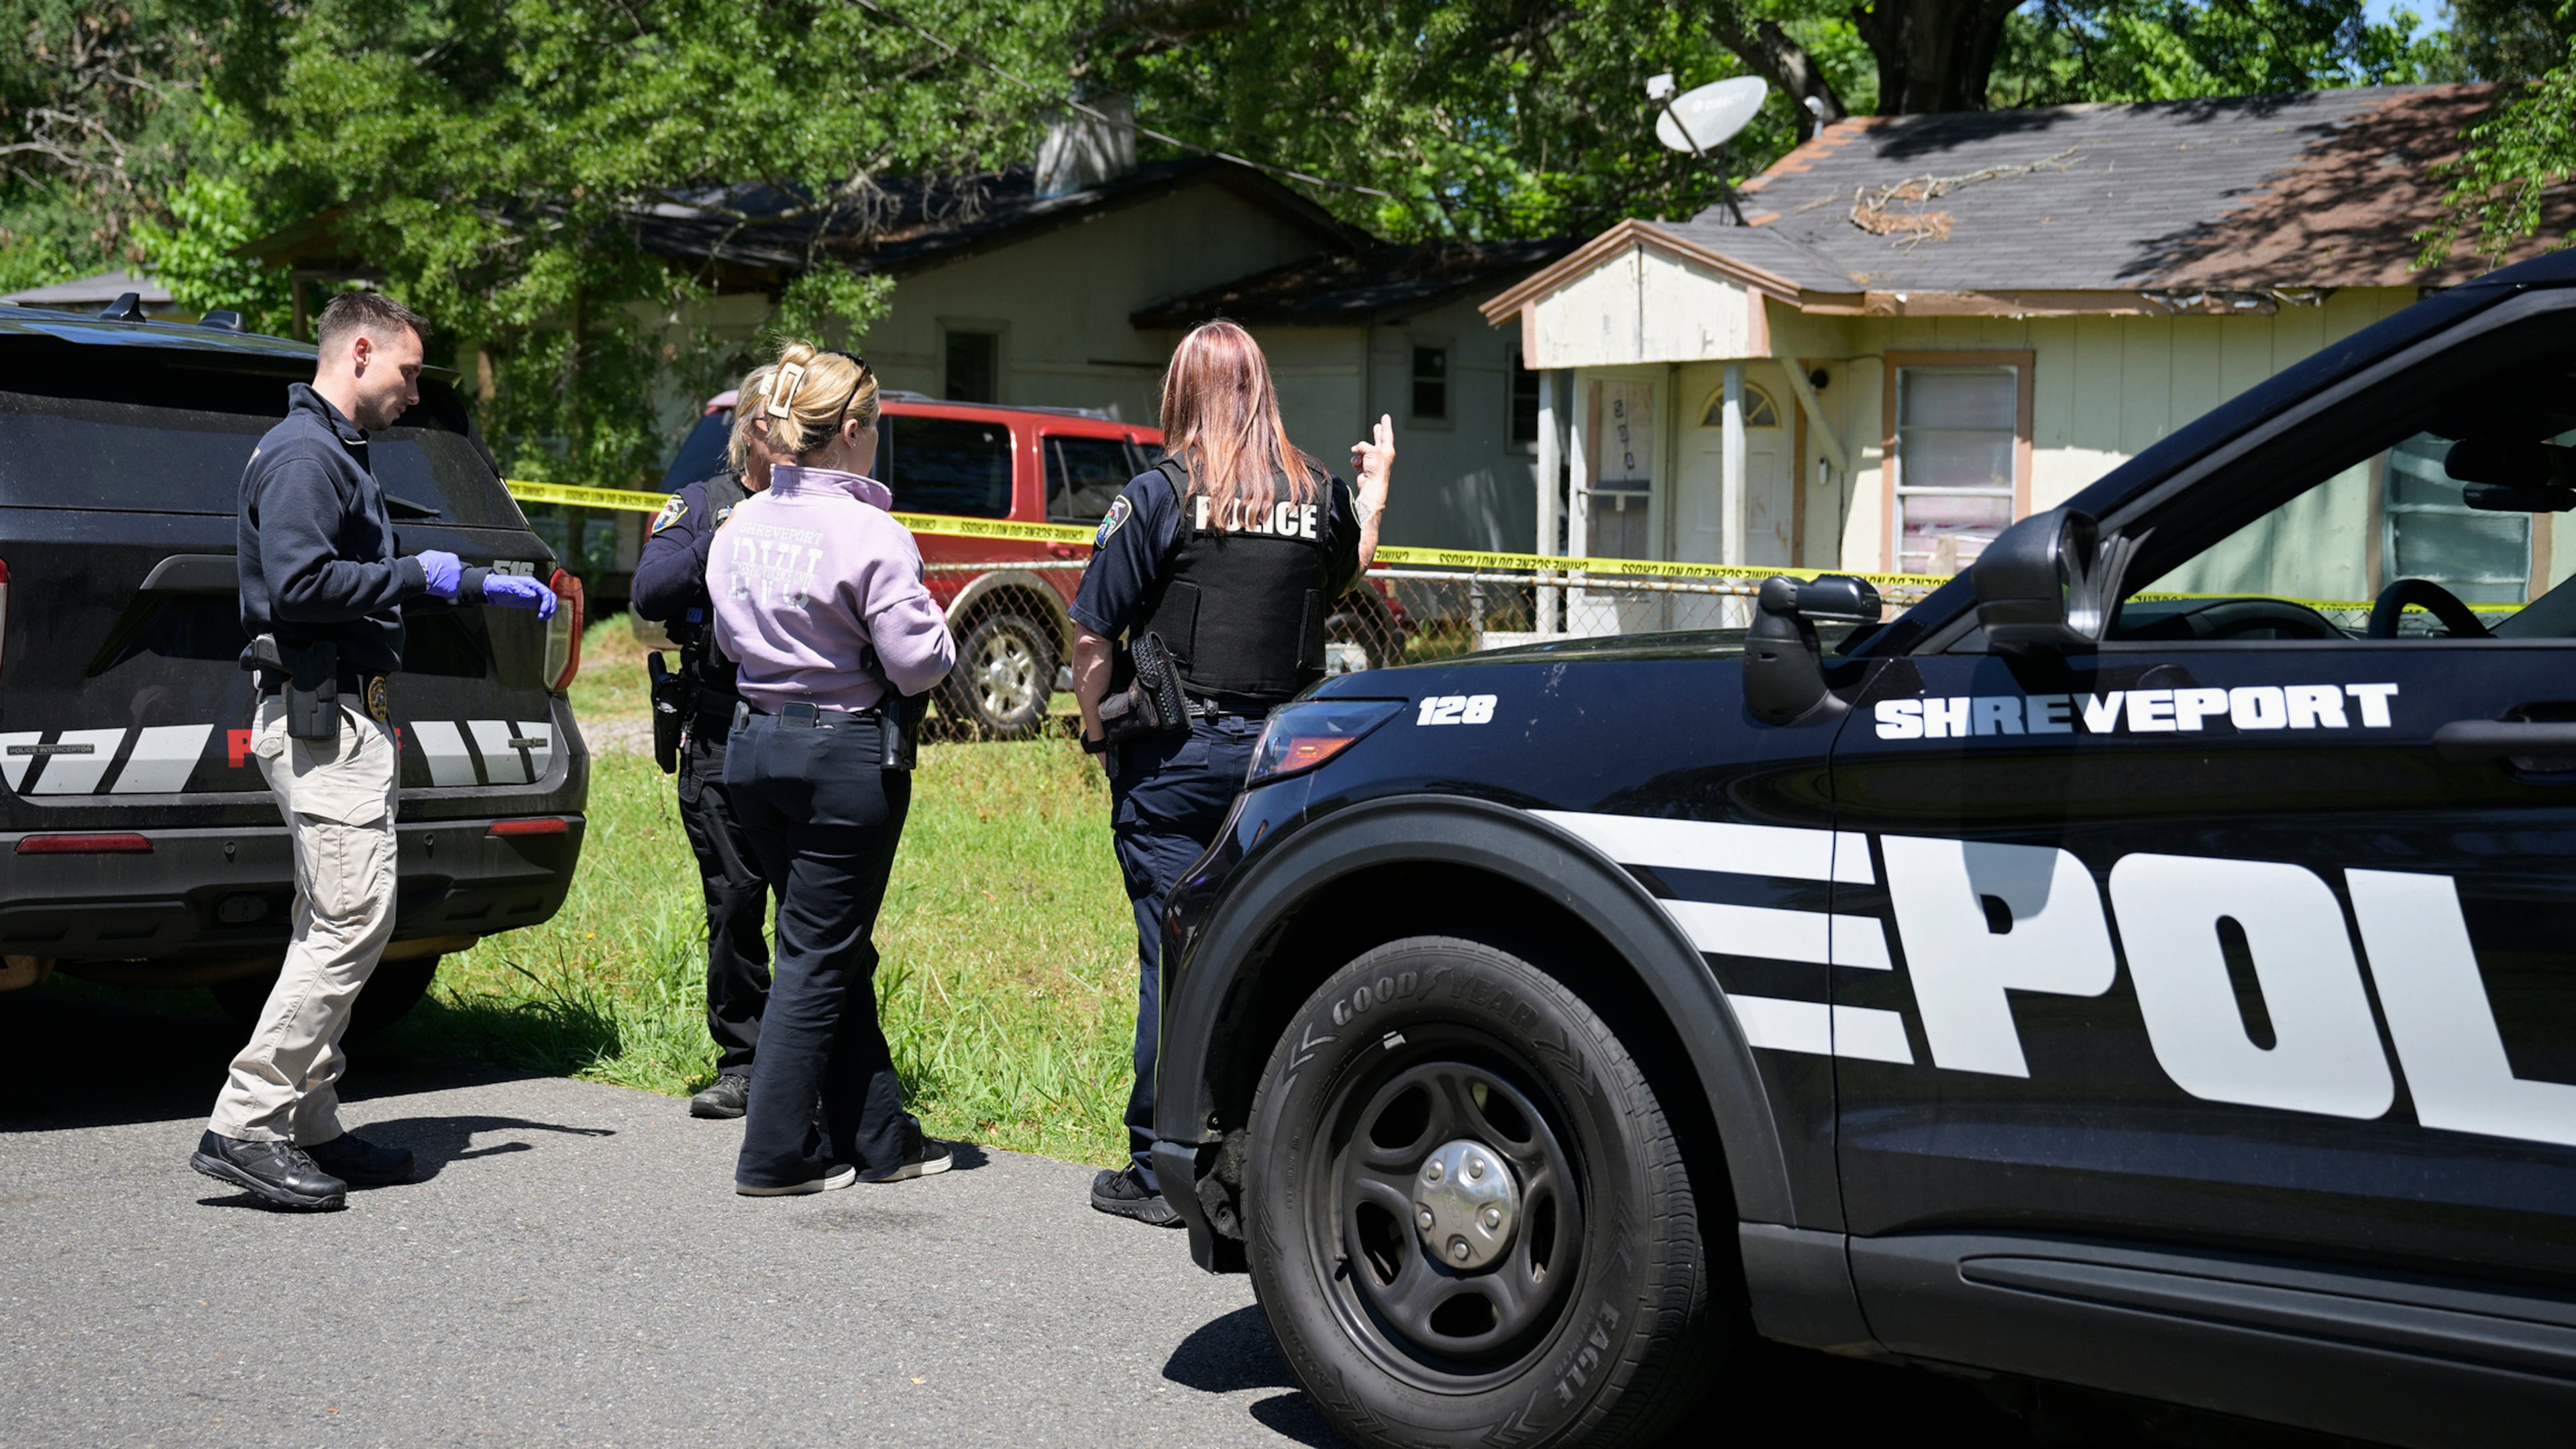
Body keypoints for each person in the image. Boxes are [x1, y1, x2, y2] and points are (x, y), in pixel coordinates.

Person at [193, 290, 559, 1212]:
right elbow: (302, 583)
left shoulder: (335, 453)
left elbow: (358, 563)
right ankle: (246, 1122)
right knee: (353, 923)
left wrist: (469, 582)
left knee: (333, 923)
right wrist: (412, 573)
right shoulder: (304, 455)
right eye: (406, 372)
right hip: (321, 717)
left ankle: (309, 1121)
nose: (414, 392)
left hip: (349, 717)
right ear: (360, 352)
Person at [1071, 319, 1394, 1225]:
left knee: (1174, 958)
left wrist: (1098, 730)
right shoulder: (1319, 492)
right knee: (1274, 954)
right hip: (1285, 765)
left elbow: (1093, 627)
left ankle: (1158, 1168)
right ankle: (1284, 1149)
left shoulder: (1161, 493)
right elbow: (1348, 576)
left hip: (1176, 764)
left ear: (1185, 393)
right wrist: (1378, 493)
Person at [706, 341, 961, 1195]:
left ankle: (881, 1140)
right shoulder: (870, 531)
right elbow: (919, 662)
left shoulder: (740, 523)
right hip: (840, 755)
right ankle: (774, 1154)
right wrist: (941, 627)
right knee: (817, 955)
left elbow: (725, 638)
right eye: (878, 425)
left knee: (828, 943)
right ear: (853, 429)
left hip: (751, 750)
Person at [633, 368, 784, 1120]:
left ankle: (812, 1061)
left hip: (800, 730)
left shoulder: (812, 506)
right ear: (754, 427)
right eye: (778, 422)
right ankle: (744, 1060)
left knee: (812, 907)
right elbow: (649, 594)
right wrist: (719, 541)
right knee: (735, 901)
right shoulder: (700, 504)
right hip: (721, 730)